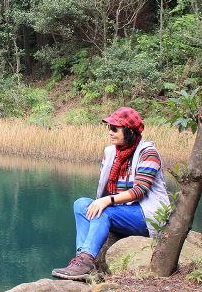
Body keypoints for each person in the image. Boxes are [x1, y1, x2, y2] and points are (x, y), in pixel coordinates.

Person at [51, 107, 170, 281]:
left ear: (129, 131)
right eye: (109, 128)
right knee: (81, 204)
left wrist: (107, 200)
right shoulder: (111, 153)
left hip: (146, 215)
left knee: (103, 209)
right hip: (122, 211)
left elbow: (139, 191)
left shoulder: (148, 153)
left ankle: (85, 262)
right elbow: (106, 189)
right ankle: (82, 259)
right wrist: (102, 201)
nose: (110, 132)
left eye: (115, 128)